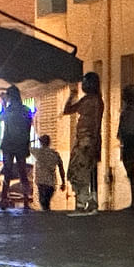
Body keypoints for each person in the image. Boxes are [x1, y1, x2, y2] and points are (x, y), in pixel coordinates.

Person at [64, 72, 104, 216]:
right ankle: (85, 201)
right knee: (75, 172)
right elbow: (67, 110)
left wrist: (94, 142)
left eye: (86, 82)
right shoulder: (86, 99)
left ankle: (83, 203)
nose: (84, 85)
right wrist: (72, 94)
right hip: (80, 140)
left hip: (88, 140)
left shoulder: (96, 101)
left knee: (81, 172)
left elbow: (96, 123)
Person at [0, 85, 33, 209]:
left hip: (8, 144)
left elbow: (1, 118)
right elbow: (28, 127)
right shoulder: (26, 110)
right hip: (21, 145)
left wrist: (3, 103)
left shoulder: (8, 110)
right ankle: (25, 199)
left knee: (7, 172)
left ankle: (4, 198)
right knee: (22, 172)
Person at [32, 134, 66, 211]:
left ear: (41, 142)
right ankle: (47, 214)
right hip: (51, 182)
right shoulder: (55, 154)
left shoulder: (38, 152)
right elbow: (61, 168)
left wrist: (34, 140)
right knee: (46, 201)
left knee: (43, 201)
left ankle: (46, 215)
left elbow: (26, 146)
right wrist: (63, 182)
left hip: (41, 181)